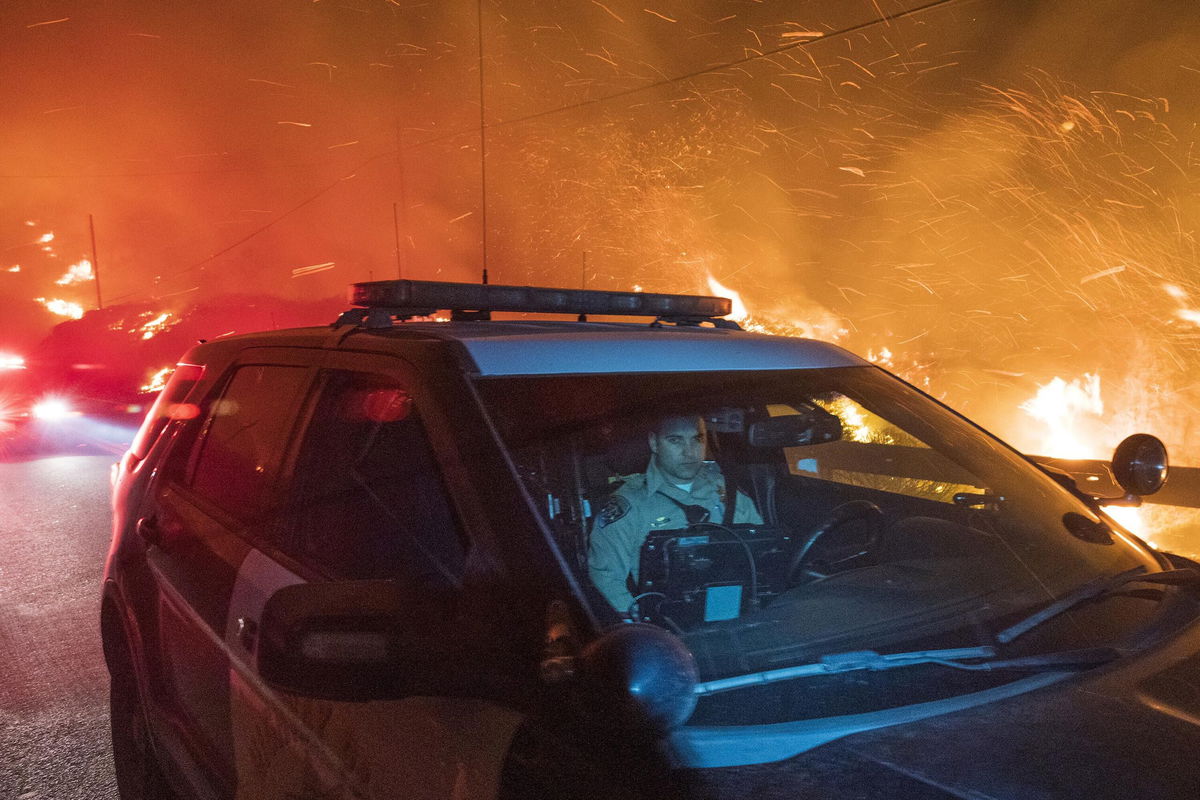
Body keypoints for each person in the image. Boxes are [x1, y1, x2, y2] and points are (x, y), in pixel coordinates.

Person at [587, 415, 762, 615]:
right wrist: (639, 622)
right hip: (668, 626)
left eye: (697, 439)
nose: (689, 452)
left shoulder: (729, 492)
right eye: (675, 440)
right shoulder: (630, 505)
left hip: (734, 615)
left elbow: (762, 554)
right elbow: (605, 577)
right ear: (654, 443)